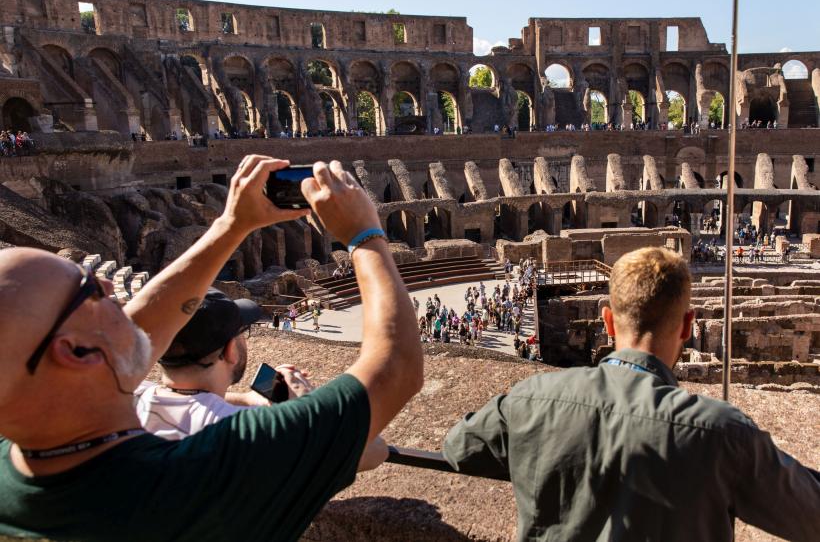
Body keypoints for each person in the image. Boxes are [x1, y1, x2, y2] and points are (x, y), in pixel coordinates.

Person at [0, 157, 424, 541]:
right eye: (89, 288)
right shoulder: (204, 475)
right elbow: (397, 369)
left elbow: (141, 327)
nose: (110, 285)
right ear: (76, 353)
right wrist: (364, 235)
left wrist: (233, 224)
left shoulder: (15, 461)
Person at [442, 247, 819, 541]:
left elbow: (458, 447)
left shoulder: (530, 399)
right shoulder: (724, 435)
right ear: (687, 326)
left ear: (607, 321)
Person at [135, 289, 386, 470]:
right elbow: (375, 450)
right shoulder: (248, 436)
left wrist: (249, 400)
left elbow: (189, 401)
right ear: (230, 350)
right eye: (243, 332)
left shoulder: (131, 399)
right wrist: (307, 407)